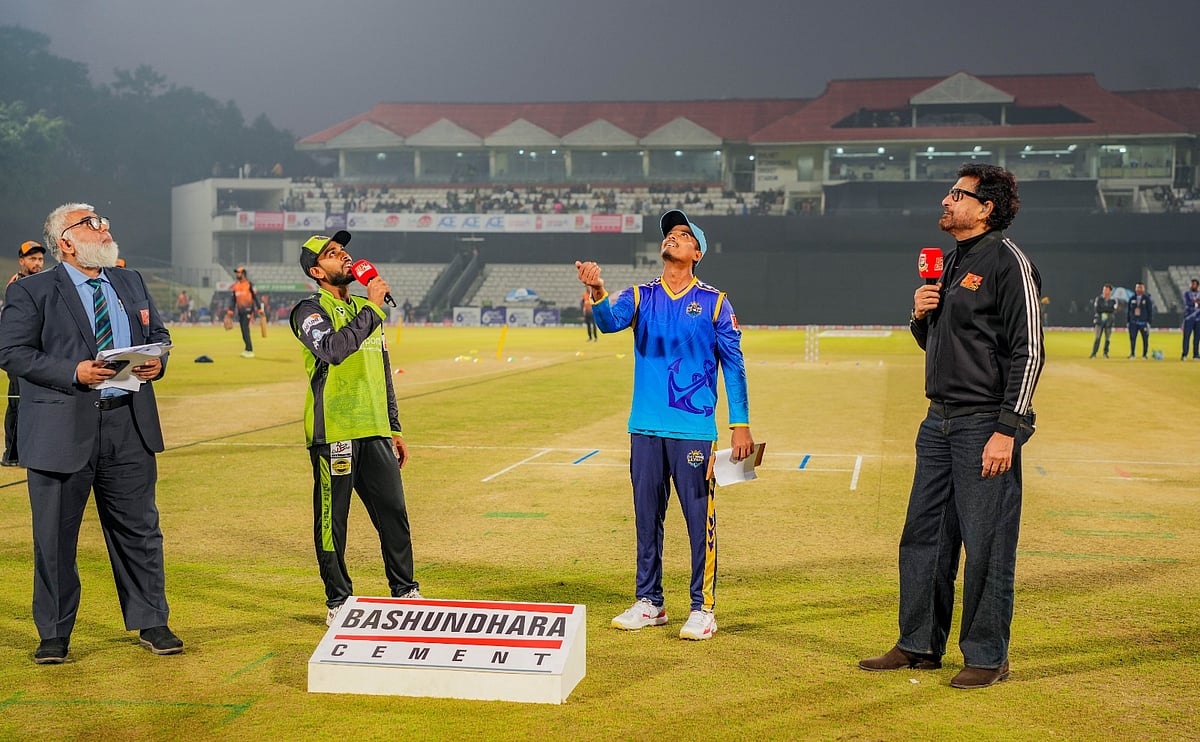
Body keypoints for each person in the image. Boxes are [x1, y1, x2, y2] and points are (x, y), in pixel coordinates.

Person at [859, 164, 1044, 689]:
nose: (947, 201)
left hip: (984, 423)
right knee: (923, 538)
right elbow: (945, 348)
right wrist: (921, 319)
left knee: (987, 543)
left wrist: (1008, 428)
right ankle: (918, 644)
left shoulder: (1009, 261)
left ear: (986, 207)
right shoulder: (950, 261)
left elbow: (1029, 351)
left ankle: (988, 655)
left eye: (959, 195)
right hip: (937, 421)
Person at [0, 202, 182, 664]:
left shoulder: (130, 280)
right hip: (62, 427)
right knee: (55, 538)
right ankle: (55, 634)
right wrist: (73, 372)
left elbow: (158, 333)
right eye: (91, 224)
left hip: (129, 423)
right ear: (65, 240)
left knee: (140, 530)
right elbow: (12, 353)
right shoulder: (34, 290)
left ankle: (152, 621)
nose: (103, 229)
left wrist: (157, 362)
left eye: (103, 222)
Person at [575, 209, 754, 641]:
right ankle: (650, 602)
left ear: (697, 252)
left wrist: (740, 424)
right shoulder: (640, 296)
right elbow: (608, 322)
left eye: (682, 235)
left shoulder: (715, 301)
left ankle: (702, 607)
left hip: (693, 431)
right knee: (646, 517)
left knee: (698, 520)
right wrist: (597, 290)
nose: (673, 237)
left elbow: (733, 363)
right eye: (670, 233)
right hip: (645, 428)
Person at [290, 231, 422, 627]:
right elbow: (332, 349)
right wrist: (374, 310)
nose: (344, 256)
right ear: (317, 271)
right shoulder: (309, 310)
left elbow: (382, 372)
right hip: (335, 432)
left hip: (375, 427)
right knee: (334, 520)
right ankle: (338, 601)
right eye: (332, 254)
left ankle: (405, 591)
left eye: (344, 250)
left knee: (394, 513)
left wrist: (393, 425)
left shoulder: (367, 308)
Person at [3, 240, 47, 467]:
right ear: (22, 261)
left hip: (38, 354)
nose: (37, 263)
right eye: (32, 258)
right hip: (21, 354)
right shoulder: (17, 286)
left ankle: (31, 450)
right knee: (17, 402)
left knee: (34, 403)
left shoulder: (40, 283)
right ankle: (12, 453)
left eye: (40, 259)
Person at [227, 266, 261, 357]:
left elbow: (255, 297)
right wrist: (230, 310)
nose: (237, 274)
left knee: (245, 329)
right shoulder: (236, 286)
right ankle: (247, 349)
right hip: (240, 311)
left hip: (248, 310)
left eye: (238, 272)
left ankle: (250, 350)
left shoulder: (249, 285)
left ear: (243, 274)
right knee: (243, 330)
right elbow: (233, 299)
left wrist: (259, 308)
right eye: (237, 273)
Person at [1089, 283, 1117, 359]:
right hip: (1099, 321)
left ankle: (1105, 353)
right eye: (1104, 290)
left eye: (1106, 290)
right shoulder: (1099, 299)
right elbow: (1097, 309)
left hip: (1109, 321)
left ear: (1110, 291)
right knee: (1097, 337)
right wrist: (1107, 309)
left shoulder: (1113, 300)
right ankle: (1094, 353)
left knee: (1107, 338)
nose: (1105, 291)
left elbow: (1113, 310)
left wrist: (1104, 309)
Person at [1126, 281, 1153, 359]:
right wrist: (1128, 321)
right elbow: (1128, 311)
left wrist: (1149, 322)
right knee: (1132, 339)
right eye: (1137, 287)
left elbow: (1150, 311)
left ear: (1143, 289)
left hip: (1143, 322)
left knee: (1145, 339)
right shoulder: (1132, 298)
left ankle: (1144, 354)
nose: (1139, 289)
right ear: (1135, 288)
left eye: (1140, 287)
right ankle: (1132, 354)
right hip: (1133, 322)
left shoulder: (1147, 299)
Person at [1181, 278, 1200, 360]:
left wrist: (1195, 302)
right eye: (1192, 284)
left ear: (1198, 286)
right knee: (1186, 337)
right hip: (1189, 318)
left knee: (1197, 337)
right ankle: (1184, 354)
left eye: (1194, 284)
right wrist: (1196, 302)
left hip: (1198, 318)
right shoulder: (1186, 294)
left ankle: (1196, 354)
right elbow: (1187, 303)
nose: (1192, 286)